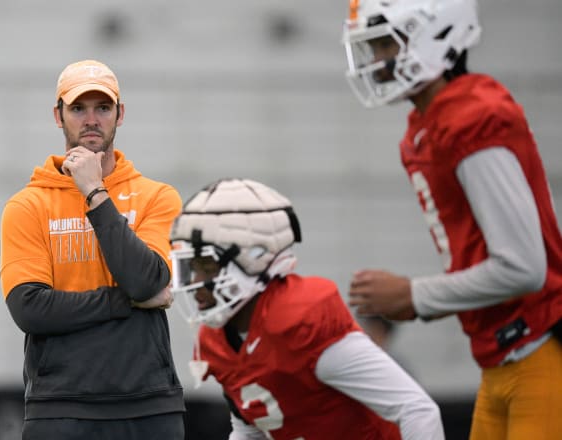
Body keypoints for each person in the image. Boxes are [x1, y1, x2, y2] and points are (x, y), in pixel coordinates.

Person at [341, 1, 562, 439]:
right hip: (500, 356)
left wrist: (414, 295)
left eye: (387, 43)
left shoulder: (469, 115)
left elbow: (524, 267)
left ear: (435, 35)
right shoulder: (428, 124)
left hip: (539, 347)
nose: (378, 59)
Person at [169, 178, 445, 439]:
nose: (195, 283)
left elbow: (417, 410)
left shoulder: (301, 321)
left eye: (206, 268)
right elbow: (250, 432)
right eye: (192, 269)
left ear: (253, 259)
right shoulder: (216, 340)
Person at [0, 59, 185, 439]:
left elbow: (145, 282)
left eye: (103, 108)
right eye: (78, 108)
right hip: (60, 407)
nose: (91, 119)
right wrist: (124, 303)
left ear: (120, 114)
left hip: (149, 405)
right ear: (58, 115)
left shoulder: (158, 197)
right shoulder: (28, 205)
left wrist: (95, 193)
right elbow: (30, 309)